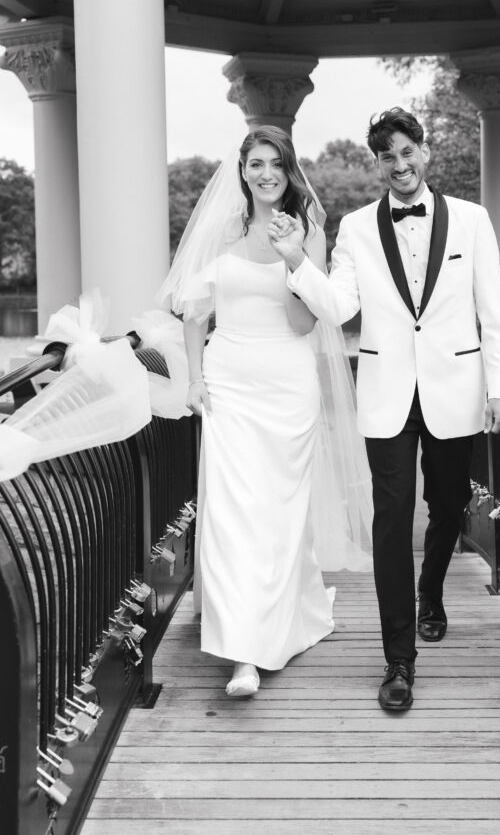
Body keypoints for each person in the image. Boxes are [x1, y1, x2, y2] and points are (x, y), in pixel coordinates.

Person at [268, 107, 500, 711]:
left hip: (455, 389)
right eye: (387, 157)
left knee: (450, 505)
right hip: (386, 396)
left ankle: (432, 589)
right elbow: (337, 308)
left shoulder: (472, 220)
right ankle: (398, 660)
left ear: (424, 153)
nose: (400, 165)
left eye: (408, 152)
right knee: (390, 519)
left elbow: (493, 310)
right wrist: (298, 260)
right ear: (377, 163)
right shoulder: (354, 228)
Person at [157, 126, 372, 699]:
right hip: (229, 386)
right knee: (230, 515)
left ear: (288, 169)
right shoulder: (223, 230)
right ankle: (244, 655)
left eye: (276, 163)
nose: (266, 173)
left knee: (276, 517)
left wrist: (293, 258)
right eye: (256, 163)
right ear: (243, 169)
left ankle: (279, 621)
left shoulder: (309, 232)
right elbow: (194, 313)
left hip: (287, 388)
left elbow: (307, 324)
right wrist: (195, 380)